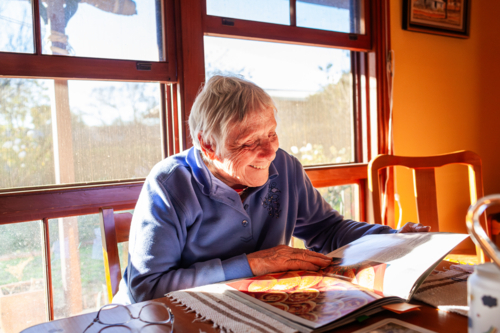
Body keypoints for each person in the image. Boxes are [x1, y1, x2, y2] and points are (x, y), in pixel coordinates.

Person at [113, 75, 429, 304]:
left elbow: (327, 229)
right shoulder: (170, 184)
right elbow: (147, 288)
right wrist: (255, 263)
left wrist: (392, 239)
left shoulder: (286, 169)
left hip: (253, 306)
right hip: (165, 318)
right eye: (250, 142)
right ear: (208, 146)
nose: (269, 152)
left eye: (272, 133)